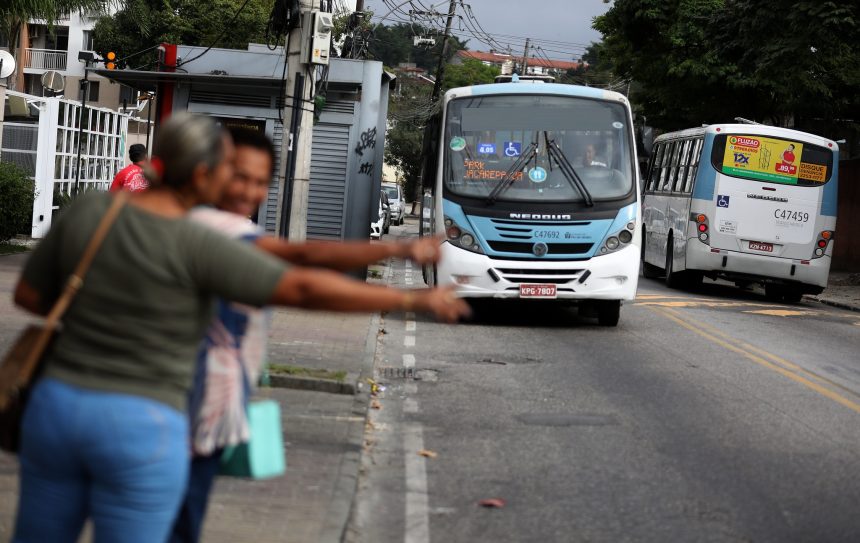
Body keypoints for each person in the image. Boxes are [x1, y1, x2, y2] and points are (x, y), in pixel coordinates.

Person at [12, 114, 469, 543]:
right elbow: (303, 285)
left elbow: (28, 297)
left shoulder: (93, 210)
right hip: (142, 423)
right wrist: (411, 297)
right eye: (227, 170)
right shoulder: (201, 241)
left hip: (56, 409)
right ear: (201, 175)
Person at [169, 127, 445, 543]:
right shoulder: (211, 228)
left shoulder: (211, 225)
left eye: (260, 182)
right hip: (185, 408)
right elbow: (302, 271)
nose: (248, 190)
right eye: (238, 175)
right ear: (208, 171)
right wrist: (406, 282)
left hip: (203, 409)